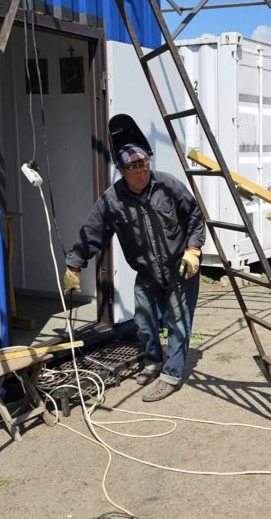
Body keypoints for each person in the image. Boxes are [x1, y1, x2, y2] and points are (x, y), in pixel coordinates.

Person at [63, 126, 205, 402]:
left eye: (145, 166)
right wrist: (74, 266)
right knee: (143, 321)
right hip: (148, 271)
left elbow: (194, 217)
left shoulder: (168, 185)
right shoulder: (112, 200)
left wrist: (193, 250)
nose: (142, 173)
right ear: (121, 170)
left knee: (179, 322)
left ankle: (171, 375)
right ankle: (153, 360)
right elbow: (92, 232)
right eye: (135, 170)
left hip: (180, 266)